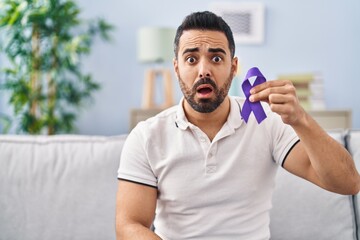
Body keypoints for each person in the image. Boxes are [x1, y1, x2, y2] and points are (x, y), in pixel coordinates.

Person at [115, 11, 360, 240]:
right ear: (177, 67)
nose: (204, 70)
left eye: (216, 58)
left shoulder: (266, 122)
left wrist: (301, 119)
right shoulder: (146, 136)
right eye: (191, 59)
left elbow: (348, 183)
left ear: (233, 67)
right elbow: (129, 225)